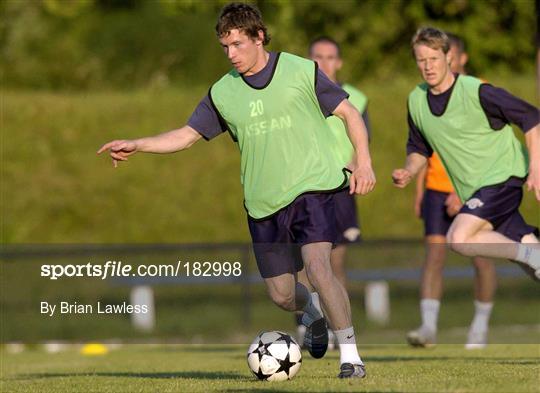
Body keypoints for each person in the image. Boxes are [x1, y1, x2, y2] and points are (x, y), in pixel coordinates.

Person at [98, 3, 375, 379]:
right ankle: (312, 314)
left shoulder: (299, 70)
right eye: (225, 47)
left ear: (259, 37)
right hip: (263, 204)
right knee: (281, 295)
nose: (231, 54)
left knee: (318, 266)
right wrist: (139, 144)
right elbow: (187, 135)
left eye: (237, 45)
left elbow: (349, 113)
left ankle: (351, 358)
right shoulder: (223, 92)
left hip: (315, 188)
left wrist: (364, 162)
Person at [392, 27, 539, 315]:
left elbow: (532, 117)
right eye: (421, 60)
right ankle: (531, 251)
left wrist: (536, 166)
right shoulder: (416, 100)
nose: (428, 66)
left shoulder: (477, 91)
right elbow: (419, 148)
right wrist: (409, 171)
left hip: (503, 177)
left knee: (459, 238)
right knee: (533, 268)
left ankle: (532, 254)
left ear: (450, 57)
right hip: (474, 189)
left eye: (434, 58)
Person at [408, 33, 497, 349]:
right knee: (433, 257)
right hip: (435, 188)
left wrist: (466, 190)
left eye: (449, 56)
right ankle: (428, 327)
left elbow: (489, 147)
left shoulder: (478, 91)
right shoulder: (425, 96)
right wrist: (419, 189)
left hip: (475, 188)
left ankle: (480, 327)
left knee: (480, 258)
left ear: (459, 58)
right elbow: (424, 146)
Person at [295, 36, 371, 349]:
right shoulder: (298, 95)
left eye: (330, 57)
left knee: (333, 264)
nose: (324, 62)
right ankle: (310, 325)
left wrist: (359, 164)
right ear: (308, 60)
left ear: (338, 62)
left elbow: (362, 137)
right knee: (302, 263)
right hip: (304, 185)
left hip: (340, 187)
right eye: (317, 56)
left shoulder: (357, 98)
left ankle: (341, 329)